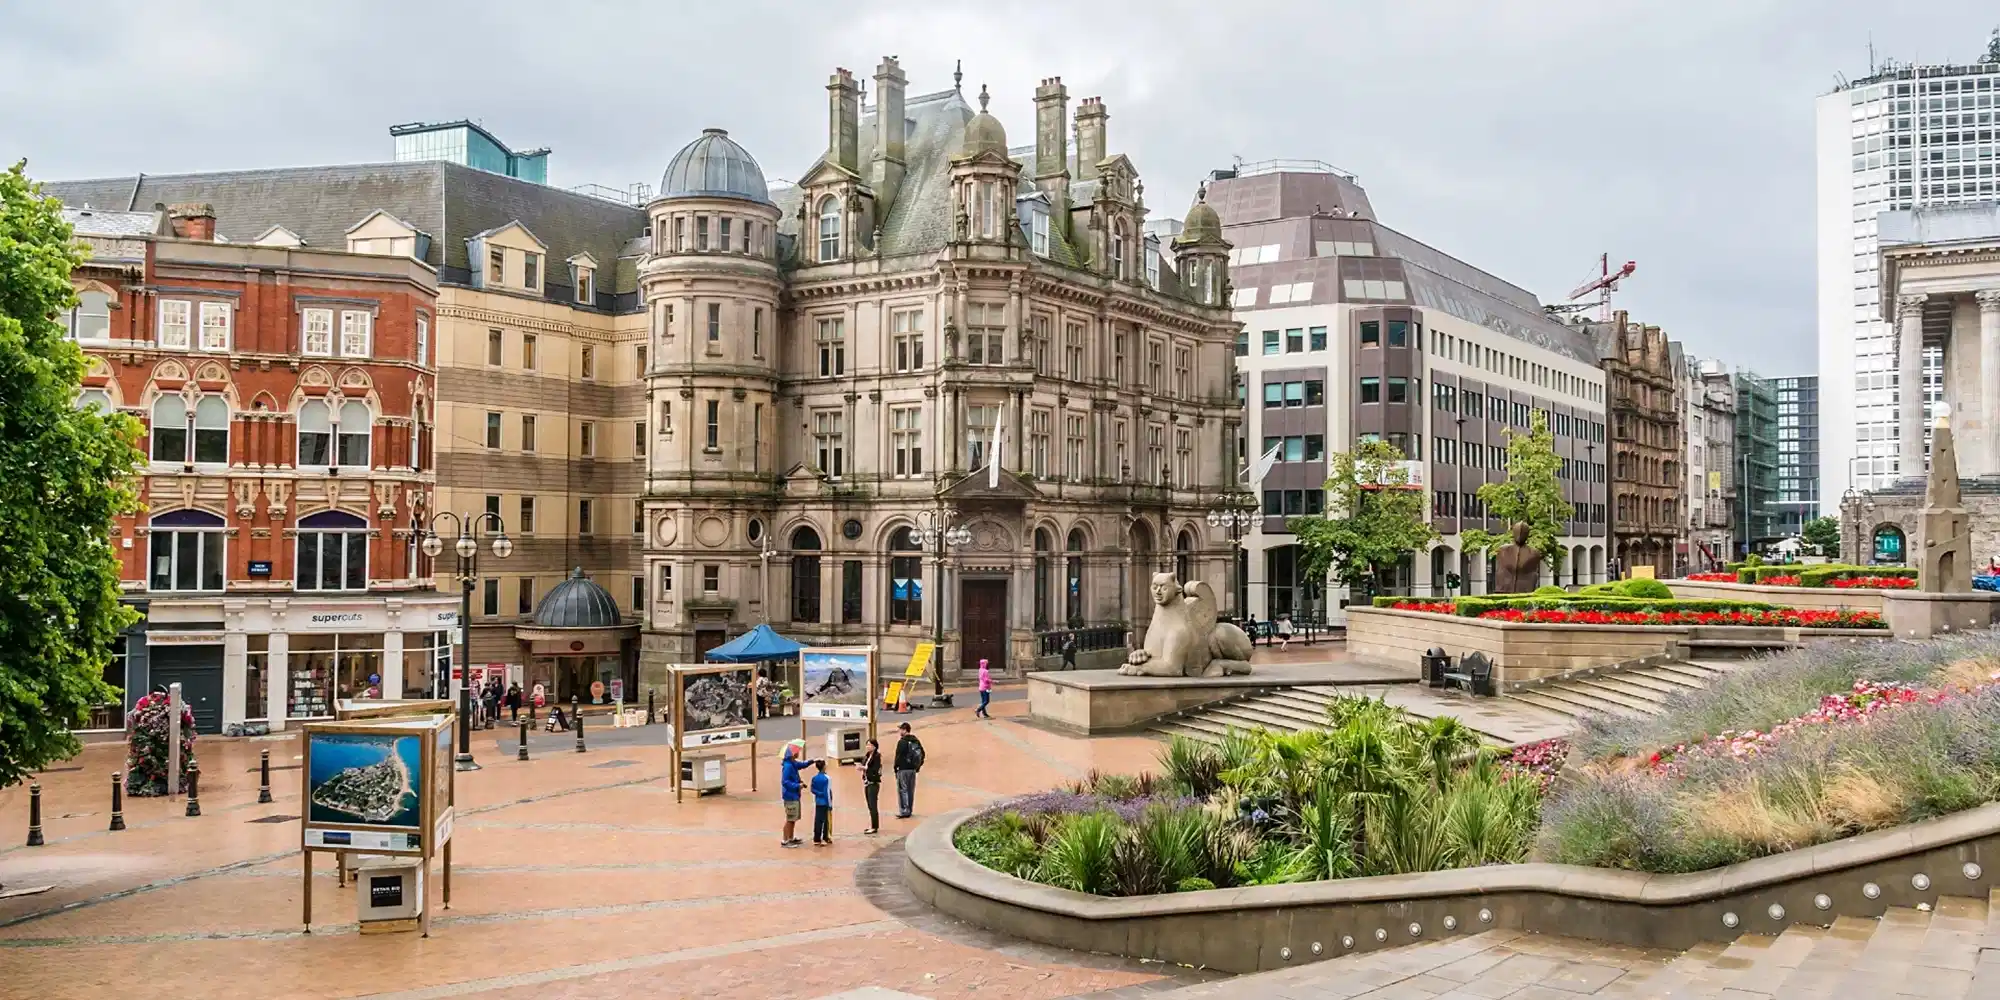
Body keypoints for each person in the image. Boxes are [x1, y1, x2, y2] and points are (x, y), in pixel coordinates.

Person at [779, 740, 813, 848]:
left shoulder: (793, 763)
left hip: (794, 795)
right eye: (796, 751)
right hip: (790, 796)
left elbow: (801, 765)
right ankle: (785, 840)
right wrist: (797, 786)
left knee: (793, 818)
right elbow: (785, 782)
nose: (798, 752)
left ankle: (791, 837)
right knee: (790, 818)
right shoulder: (788, 766)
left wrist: (811, 762)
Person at [893, 722, 925, 819]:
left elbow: (898, 756)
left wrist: (895, 768)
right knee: (911, 790)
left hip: (903, 769)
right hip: (912, 770)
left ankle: (904, 811)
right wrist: (917, 766)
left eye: (900, 729)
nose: (899, 731)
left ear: (905, 730)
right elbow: (922, 754)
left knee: (903, 789)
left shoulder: (902, 742)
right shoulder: (915, 741)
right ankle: (910, 809)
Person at [859, 738, 883, 834]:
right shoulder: (867, 755)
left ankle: (874, 826)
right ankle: (873, 824)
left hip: (873, 783)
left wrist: (864, 768)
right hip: (866, 782)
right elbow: (864, 764)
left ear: (874, 746)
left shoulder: (877, 756)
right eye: (867, 745)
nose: (868, 747)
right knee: (869, 805)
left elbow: (874, 769)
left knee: (873, 805)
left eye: (870, 745)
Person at [810, 759, 833, 845]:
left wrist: (818, 794)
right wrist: (830, 804)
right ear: (824, 767)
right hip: (825, 802)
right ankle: (825, 837)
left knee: (818, 820)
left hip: (818, 802)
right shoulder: (827, 778)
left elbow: (812, 789)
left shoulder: (814, 778)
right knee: (826, 820)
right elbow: (827, 792)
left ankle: (816, 838)